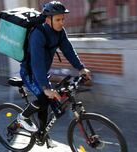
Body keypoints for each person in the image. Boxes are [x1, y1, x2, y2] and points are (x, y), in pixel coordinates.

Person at [16, 1, 92, 148]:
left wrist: (81, 68)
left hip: (42, 73)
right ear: (48, 19)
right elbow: (36, 63)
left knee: (51, 105)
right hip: (30, 72)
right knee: (44, 99)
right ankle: (22, 117)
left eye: (63, 19)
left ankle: (41, 134)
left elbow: (68, 51)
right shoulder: (38, 34)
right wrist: (45, 87)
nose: (61, 22)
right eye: (58, 20)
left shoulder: (60, 32)